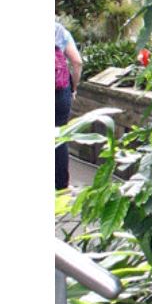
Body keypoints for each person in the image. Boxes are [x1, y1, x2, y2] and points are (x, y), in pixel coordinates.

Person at [55, 19, 83, 191]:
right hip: (59, 90)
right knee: (59, 137)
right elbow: (77, 62)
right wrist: (72, 87)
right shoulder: (60, 31)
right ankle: (61, 185)